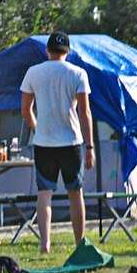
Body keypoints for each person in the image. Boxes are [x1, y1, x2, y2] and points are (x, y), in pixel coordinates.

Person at [20, 31, 95, 254]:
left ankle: (45, 244)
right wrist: (90, 146)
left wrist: (37, 128)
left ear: (48, 51)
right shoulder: (78, 73)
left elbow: (25, 110)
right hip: (71, 141)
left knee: (44, 194)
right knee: (75, 193)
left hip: (43, 143)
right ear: (68, 52)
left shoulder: (33, 72)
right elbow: (85, 112)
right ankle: (79, 242)